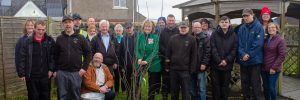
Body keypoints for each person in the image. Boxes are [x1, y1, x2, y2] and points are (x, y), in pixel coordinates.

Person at [54, 15, 91, 100]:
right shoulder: (59, 39)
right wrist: (56, 70)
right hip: (62, 73)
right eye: (65, 22)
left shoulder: (81, 38)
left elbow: (88, 53)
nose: (68, 24)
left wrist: (84, 68)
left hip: (76, 72)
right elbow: (55, 55)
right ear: (63, 24)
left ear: (73, 23)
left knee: (75, 95)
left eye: (69, 22)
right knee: (62, 96)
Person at [18, 20, 55, 100]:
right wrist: (21, 73)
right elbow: (22, 57)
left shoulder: (49, 41)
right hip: (32, 76)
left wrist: (51, 69)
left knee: (45, 96)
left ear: (45, 30)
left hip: (46, 76)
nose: (41, 32)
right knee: (33, 97)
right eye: (38, 29)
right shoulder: (27, 42)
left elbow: (53, 56)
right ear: (34, 29)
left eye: (43, 29)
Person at [237, 8, 265, 100]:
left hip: (254, 61)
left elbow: (258, 44)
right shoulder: (241, 28)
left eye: (247, 15)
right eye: (244, 16)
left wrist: (248, 55)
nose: (245, 18)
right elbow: (239, 44)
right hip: (243, 61)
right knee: (244, 84)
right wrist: (242, 54)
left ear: (252, 15)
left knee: (255, 84)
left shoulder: (258, 26)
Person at [166, 21, 197, 100]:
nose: (183, 29)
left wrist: (192, 69)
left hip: (185, 71)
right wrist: (167, 66)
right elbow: (168, 54)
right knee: (174, 92)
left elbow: (194, 56)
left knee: (186, 93)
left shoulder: (192, 39)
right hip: (173, 70)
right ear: (179, 28)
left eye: (185, 28)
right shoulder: (173, 38)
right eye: (181, 28)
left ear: (188, 28)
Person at [210, 16, 238, 100]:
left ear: (229, 23)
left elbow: (234, 49)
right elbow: (213, 48)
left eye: (226, 22)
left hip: (227, 65)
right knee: (216, 86)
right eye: (222, 22)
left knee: (225, 86)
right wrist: (219, 60)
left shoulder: (234, 35)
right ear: (219, 23)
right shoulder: (214, 34)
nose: (224, 24)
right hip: (215, 65)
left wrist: (226, 60)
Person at [135, 19, 161, 100]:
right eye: (146, 26)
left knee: (152, 84)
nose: (147, 28)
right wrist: (139, 58)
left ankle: (151, 98)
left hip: (153, 63)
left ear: (152, 27)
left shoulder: (155, 37)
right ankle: (138, 97)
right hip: (140, 62)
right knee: (137, 82)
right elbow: (136, 49)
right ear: (143, 27)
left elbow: (155, 51)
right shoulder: (140, 37)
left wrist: (147, 61)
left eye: (149, 26)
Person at [262, 22, 287, 100]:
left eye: (273, 27)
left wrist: (274, 67)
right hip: (264, 68)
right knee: (265, 88)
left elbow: (282, 55)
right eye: (269, 28)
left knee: (272, 88)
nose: (271, 29)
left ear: (277, 29)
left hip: (273, 69)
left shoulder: (280, 40)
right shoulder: (266, 40)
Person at [159, 14, 179, 100]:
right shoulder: (163, 32)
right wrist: (167, 53)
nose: (171, 22)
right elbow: (160, 45)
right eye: (169, 20)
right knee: (165, 77)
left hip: (176, 59)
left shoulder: (178, 31)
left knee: (175, 78)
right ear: (167, 21)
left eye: (172, 20)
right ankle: (165, 94)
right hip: (165, 58)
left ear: (174, 21)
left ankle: (174, 93)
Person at [191, 21, 211, 100]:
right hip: (192, 67)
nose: (197, 29)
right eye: (195, 27)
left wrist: (204, 63)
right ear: (192, 28)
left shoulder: (206, 37)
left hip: (201, 67)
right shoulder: (190, 37)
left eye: (198, 27)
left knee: (201, 88)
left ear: (201, 28)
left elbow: (208, 52)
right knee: (192, 88)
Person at [119, 22, 137, 100]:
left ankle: (136, 96)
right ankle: (129, 96)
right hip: (126, 65)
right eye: (127, 28)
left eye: (130, 27)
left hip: (136, 65)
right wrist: (122, 66)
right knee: (128, 83)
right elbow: (121, 53)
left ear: (133, 27)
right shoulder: (123, 39)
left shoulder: (138, 37)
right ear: (125, 29)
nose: (129, 29)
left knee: (137, 83)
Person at [113, 24, 125, 94]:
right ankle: (116, 90)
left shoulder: (124, 38)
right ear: (115, 31)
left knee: (123, 76)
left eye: (119, 31)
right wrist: (114, 62)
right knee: (116, 77)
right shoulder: (113, 39)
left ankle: (124, 90)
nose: (118, 32)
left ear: (122, 31)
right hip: (115, 61)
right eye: (117, 31)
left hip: (123, 61)